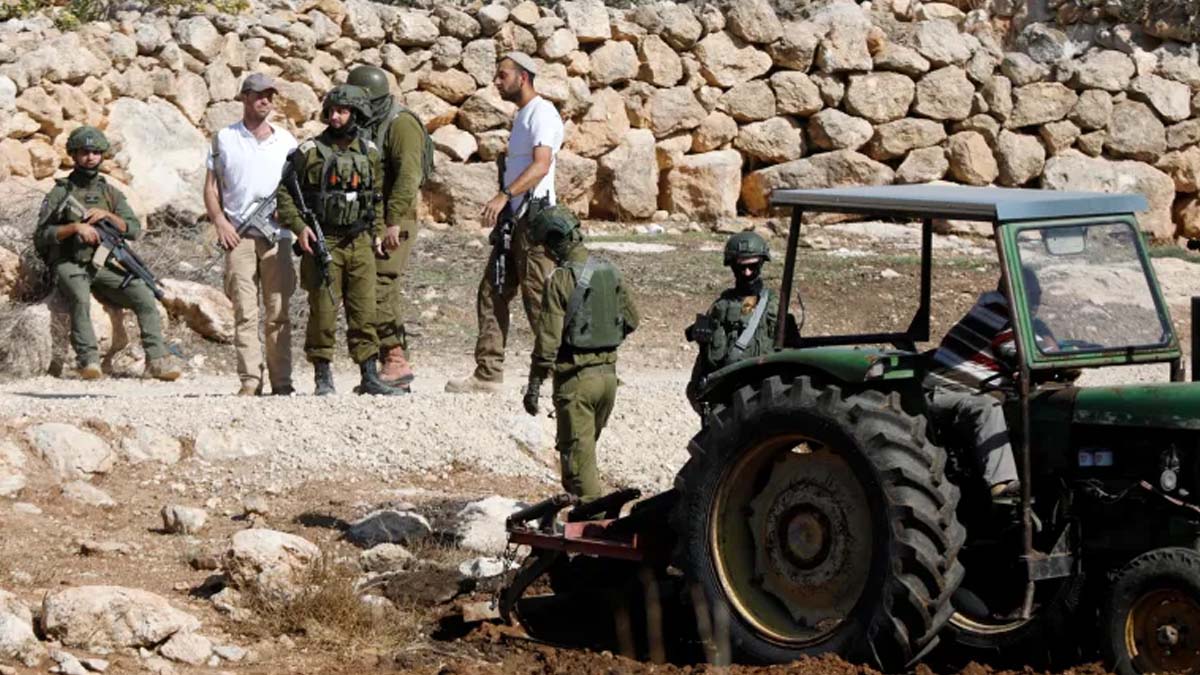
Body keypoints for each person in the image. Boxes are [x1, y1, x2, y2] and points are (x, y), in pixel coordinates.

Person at [274, 84, 405, 397]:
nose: (335, 117)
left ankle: (369, 375)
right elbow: (285, 194)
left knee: (365, 311)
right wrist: (300, 227)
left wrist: (377, 231)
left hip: (359, 241)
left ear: (356, 114)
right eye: (332, 111)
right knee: (323, 310)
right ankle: (323, 375)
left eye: (342, 111)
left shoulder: (369, 152)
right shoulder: (309, 152)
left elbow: (374, 196)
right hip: (325, 241)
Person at [446, 52, 563, 393]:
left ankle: (560, 375)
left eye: (503, 75)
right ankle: (488, 373)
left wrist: (504, 195)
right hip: (514, 222)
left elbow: (541, 165)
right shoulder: (523, 115)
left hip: (534, 222)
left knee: (539, 299)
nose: (497, 82)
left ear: (523, 78)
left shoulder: (543, 113)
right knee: (493, 291)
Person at [34, 126, 181, 382]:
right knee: (80, 297)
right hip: (70, 263)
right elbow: (41, 235)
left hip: (102, 265)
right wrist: (74, 228)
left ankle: (156, 360)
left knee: (144, 295)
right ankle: (88, 360)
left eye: (95, 152)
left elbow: (133, 230)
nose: (90, 157)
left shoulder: (110, 193)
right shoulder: (60, 192)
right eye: (84, 152)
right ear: (73, 155)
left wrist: (108, 216)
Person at [522, 206, 639, 504]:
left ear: (554, 242)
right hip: (608, 380)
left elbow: (547, 343)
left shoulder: (560, 279)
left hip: (576, 384)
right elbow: (632, 320)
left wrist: (534, 385)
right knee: (584, 457)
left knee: (579, 472)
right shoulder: (609, 271)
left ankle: (592, 525)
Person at [205, 73, 298, 396]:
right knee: (244, 311)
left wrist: (287, 213)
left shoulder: (286, 141)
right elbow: (211, 187)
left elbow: (297, 187)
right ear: (244, 97)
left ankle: (282, 381)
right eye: (258, 95)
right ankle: (250, 380)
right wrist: (220, 221)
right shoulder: (224, 139)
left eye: (269, 95)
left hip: (278, 236)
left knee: (279, 311)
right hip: (239, 236)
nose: (265, 101)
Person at [923, 270, 1049, 502]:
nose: (1037, 301)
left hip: (966, 389)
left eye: (1038, 295)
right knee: (986, 406)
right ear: (1014, 292)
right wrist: (1060, 354)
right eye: (1032, 295)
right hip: (944, 392)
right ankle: (1002, 485)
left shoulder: (1001, 312)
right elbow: (1028, 353)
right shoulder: (998, 314)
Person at [346, 65, 434, 391]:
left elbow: (409, 176)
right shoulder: (366, 123)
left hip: (394, 219)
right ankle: (390, 366)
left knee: (381, 284)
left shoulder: (401, 124)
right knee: (365, 286)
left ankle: (396, 358)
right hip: (370, 218)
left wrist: (392, 222)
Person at [685, 231, 797, 410]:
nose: (747, 272)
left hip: (766, 391)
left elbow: (793, 350)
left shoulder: (774, 306)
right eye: (741, 267)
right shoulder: (720, 306)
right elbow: (704, 360)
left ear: (762, 263)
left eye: (753, 266)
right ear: (732, 266)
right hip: (729, 394)